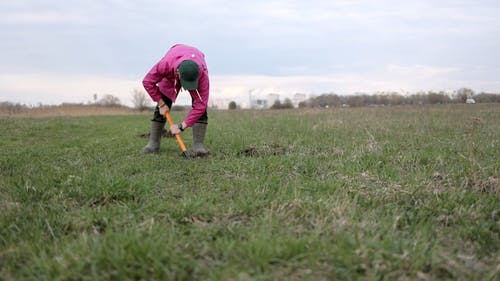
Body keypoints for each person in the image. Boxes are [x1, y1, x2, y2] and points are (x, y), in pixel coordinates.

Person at [142, 44, 209, 156]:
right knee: (163, 98)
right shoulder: (165, 65)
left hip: (195, 61)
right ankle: (153, 143)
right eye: (187, 84)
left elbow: (201, 105)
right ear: (178, 74)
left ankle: (198, 145)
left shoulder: (202, 74)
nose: (188, 88)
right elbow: (147, 82)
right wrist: (161, 104)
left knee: (201, 105)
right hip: (172, 65)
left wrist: (181, 126)